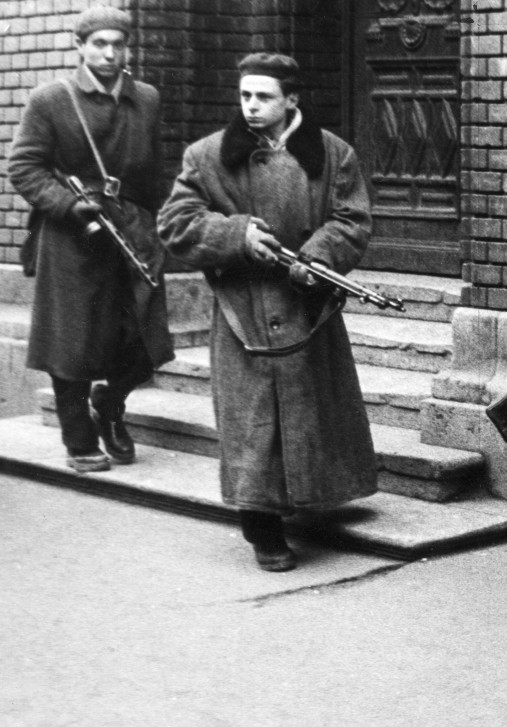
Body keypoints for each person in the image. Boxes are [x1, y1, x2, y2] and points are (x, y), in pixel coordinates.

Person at [157, 53, 376, 572]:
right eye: (245, 96)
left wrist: (317, 258)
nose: (251, 107)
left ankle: (310, 497)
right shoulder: (208, 156)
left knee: (310, 411)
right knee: (253, 420)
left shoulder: (332, 153)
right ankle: (261, 523)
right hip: (243, 311)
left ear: (292, 100)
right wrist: (236, 235)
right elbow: (175, 221)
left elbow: (353, 219)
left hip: (307, 309)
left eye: (264, 97)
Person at [7, 6, 174, 473]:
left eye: (118, 44)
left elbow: (156, 170)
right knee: (72, 343)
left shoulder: (146, 98)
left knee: (145, 339)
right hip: (72, 234)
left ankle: (111, 403)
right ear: (79, 46)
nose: (109, 53)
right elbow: (24, 167)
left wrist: (158, 226)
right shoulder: (51, 100)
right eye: (99, 43)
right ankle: (79, 440)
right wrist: (67, 204)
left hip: (133, 227)